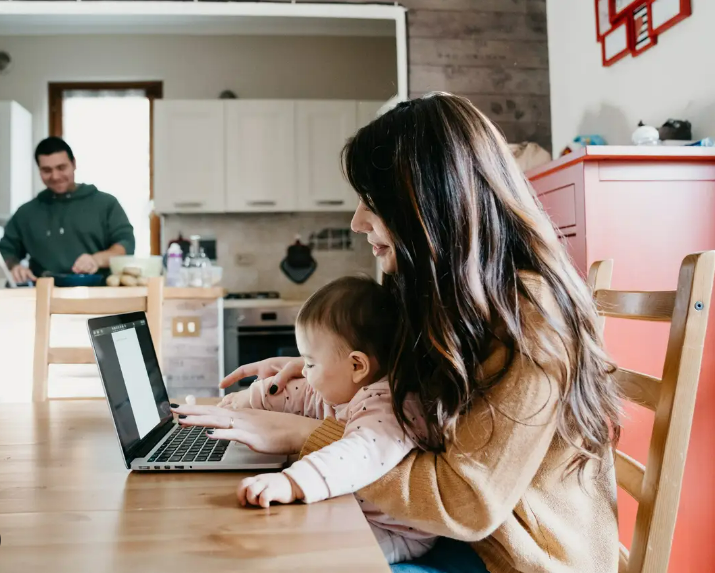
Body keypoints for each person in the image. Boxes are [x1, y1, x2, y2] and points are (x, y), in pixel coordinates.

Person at [173, 93, 621, 573]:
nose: (356, 221)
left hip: (514, 557)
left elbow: (463, 502)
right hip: (454, 537)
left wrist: (302, 436)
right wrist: (325, 369)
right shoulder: (442, 289)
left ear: (434, 200)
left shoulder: (528, 315)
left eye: (373, 201)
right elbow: (406, 404)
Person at [191, 276, 436, 564]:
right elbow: (298, 394)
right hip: (352, 504)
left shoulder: (390, 407)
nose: (302, 371)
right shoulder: (346, 385)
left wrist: (292, 483)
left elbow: (355, 455)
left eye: (309, 363)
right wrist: (246, 400)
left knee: (312, 556)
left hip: (393, 528)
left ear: (357, 365)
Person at [0, 136, 135, 283]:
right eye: (47, 170)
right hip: (44, 297)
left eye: (61, 168)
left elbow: (126, 244)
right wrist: (14, 266)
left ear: (74, 164)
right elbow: (6, 250)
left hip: (99, 293)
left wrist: (97, 260)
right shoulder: (26, 213)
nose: (55, 176)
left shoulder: (105, 204)